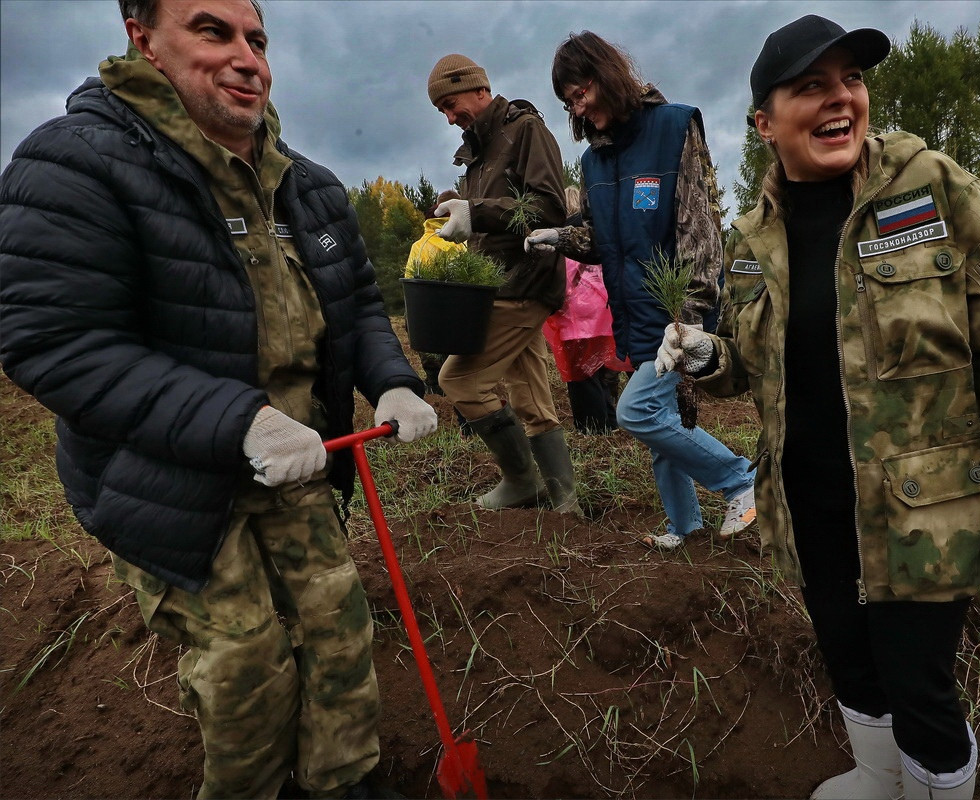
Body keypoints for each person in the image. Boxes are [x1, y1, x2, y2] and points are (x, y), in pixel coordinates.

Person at [0, 1, 438, 797]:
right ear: (143, 37)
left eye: (257, 39)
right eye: (213, 31)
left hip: (298, 467)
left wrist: (395, 380)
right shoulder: (74, 164)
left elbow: (358, 305)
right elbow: (54, 342)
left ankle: (344, 782)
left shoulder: (307, 185)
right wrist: (236, 421)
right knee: (246, 667)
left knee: (339, 633)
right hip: (167, 480)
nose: (247, 58)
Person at [656, 15, 980, 799]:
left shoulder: (932, 186)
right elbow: (759, 363)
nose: (840, 99)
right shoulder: (756, 234)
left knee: (917, 682)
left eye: (850, 80)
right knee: (846, 656)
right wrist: (708, 356)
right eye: (811, 86)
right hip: (809, 501)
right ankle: (875, 776)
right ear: (765, 122)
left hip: (923, 508)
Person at [525, 31, 757, 550]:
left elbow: (700, 225)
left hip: (676, 310)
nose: (578, 109)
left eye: (580, 93)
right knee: (662, 424)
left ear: (606, 76)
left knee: (637, 413)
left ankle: (743, 480)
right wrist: (557, 238)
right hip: (631, 314)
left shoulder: (674, 127)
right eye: (568, 103)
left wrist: (694, 315)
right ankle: (685, 525)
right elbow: (596, 238)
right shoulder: (593, 161)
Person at [426, 53, 580, 514]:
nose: (451, 118)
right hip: (502, 285)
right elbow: (500, 206)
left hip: (524, 283)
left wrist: (476, 214)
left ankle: (522, 482)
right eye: (443, 112)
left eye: (452, 105)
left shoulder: (524, 130)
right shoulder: (480, 147)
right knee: (530, 395)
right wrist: (461, 202)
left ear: (478, 89)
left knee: (460, 380)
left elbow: (550, 209)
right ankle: (565, 502)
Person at [542, 185, 627, 434]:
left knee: (580, 376)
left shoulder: (562, 236)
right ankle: (610, 423)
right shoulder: (598, 232)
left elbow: (561, 278)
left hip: (576, 317)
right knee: (604, 371)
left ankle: (591, 428)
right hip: (606, 313)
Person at [405, 189, 474, 438]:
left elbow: (410, 280)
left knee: (437, 369)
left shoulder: (419, 244)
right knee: (461, 372)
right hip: (457, 315)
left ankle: (436, 410)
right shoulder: (461, 240)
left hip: (426, 316)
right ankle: (468, 425)